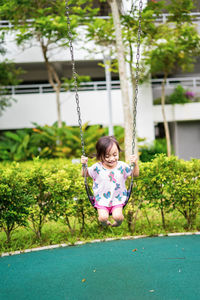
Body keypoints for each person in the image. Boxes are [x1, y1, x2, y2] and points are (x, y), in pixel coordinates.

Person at [81, 136, 139, 227]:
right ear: (100, 156)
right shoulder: (97, 167)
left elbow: (134, 174)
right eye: (107, 156)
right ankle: (105, 223)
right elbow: (85, 174)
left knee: (118, 216)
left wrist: (135, 163)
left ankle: (117, 223)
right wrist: (84, 165)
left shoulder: (122, 166)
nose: (111, 159)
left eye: (115, 155)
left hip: (118, 200)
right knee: (103, 217)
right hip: (101, 201)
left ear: (118, 153)